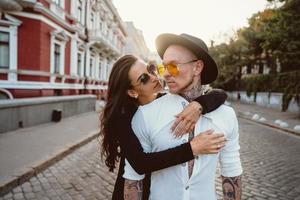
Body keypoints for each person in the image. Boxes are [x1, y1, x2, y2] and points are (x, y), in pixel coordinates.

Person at [123, 33, 243, 200]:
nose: (164, 74)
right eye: (163, 67)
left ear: (197, 67)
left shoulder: (226, 115)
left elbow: (231, 171)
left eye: (173, 66)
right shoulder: (145, 114)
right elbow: (133, 178)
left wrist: (201, 104)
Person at [100, 54, 228, 199]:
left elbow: (220, 94)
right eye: (144, 78)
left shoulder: (167, 100)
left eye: (151, 69)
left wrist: (200, 104)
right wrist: (192, 148)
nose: (154, 77)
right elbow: (139, 163)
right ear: (132, 92)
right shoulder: (123, 117)